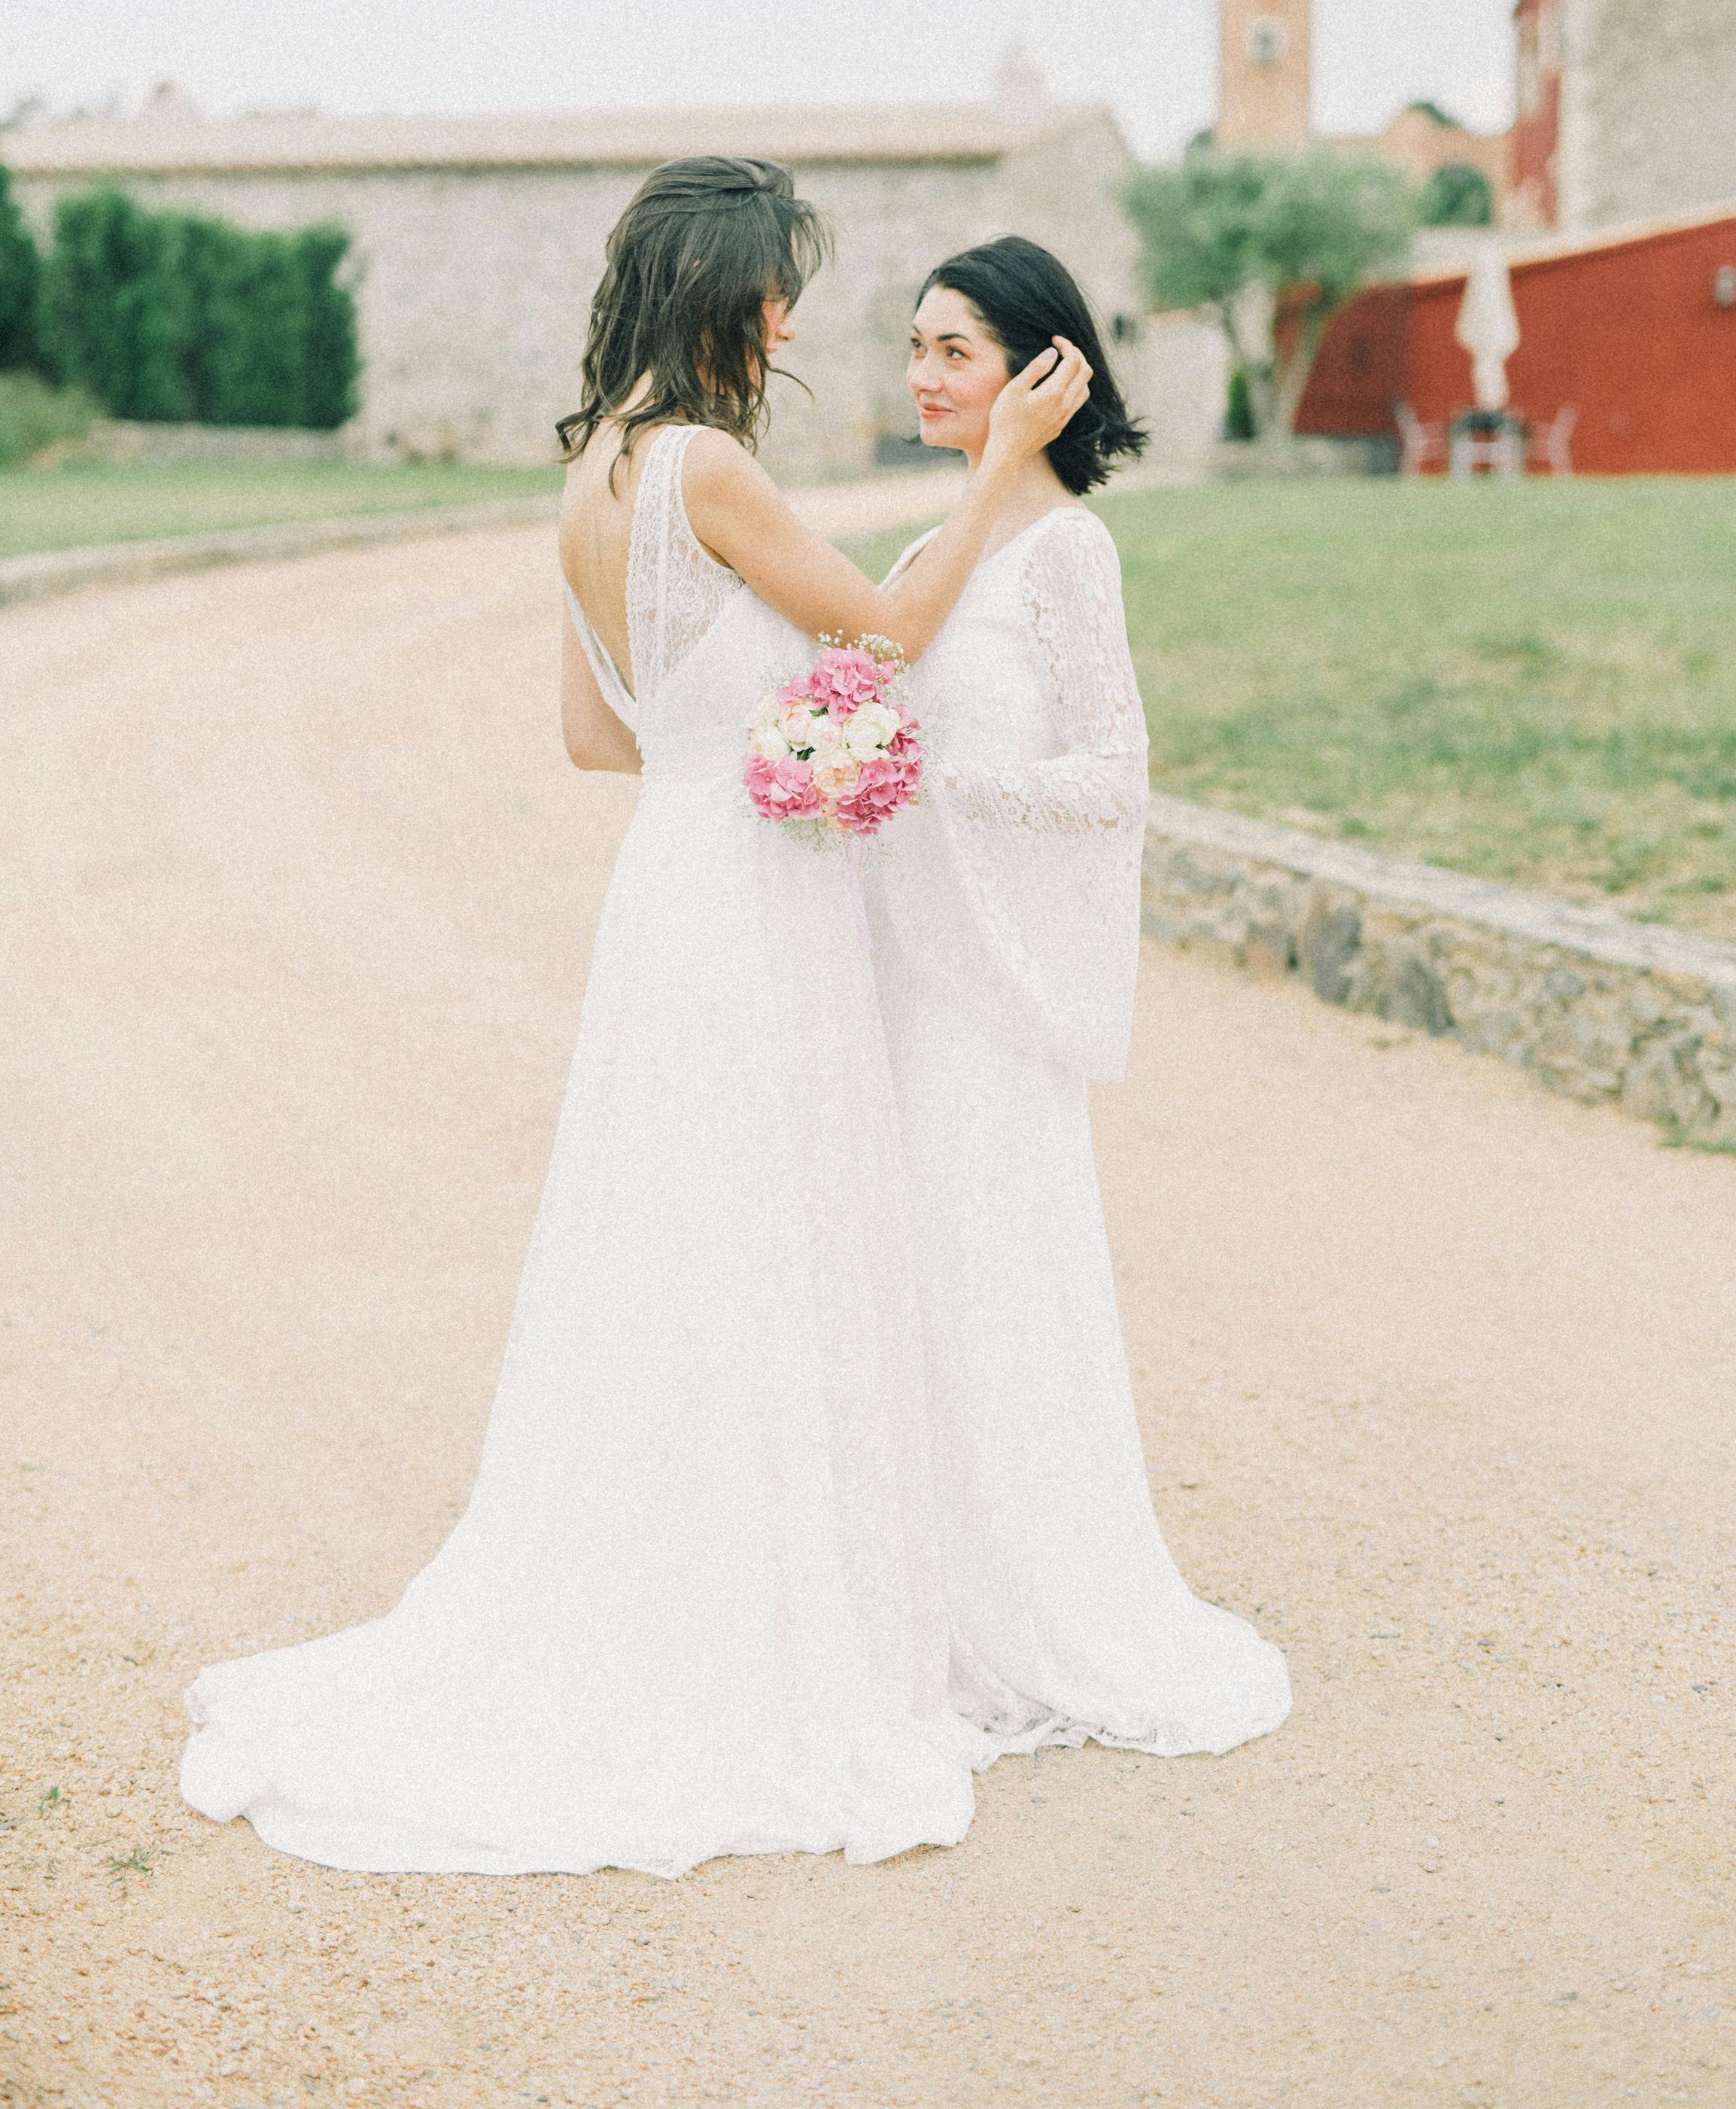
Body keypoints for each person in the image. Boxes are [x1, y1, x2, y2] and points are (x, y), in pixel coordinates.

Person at [179, 160, 1092, 1876]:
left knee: (680, 1249)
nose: (793, 323)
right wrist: (987, 476)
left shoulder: (590, 475)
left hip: (670, 888)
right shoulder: (703, 463)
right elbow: (892, 623)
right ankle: (755, 1637)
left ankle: (675, 1582)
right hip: (749, 903)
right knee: (768, 1246)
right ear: (718, 298)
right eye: (775, 292)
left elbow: (600, 743)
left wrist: (749, 734)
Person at [868, 236, 1291, 1761]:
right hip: (902, 977)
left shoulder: (1064, 551)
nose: (921, 374)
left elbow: (1114, 774)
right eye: (915, 345)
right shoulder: (943, 539)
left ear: (1044, 372)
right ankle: (901, 1594)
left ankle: (1020, 1601)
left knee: (985, 1275)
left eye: (954, 351)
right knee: (896, 1281)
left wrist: (931, 787)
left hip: (990, 992)